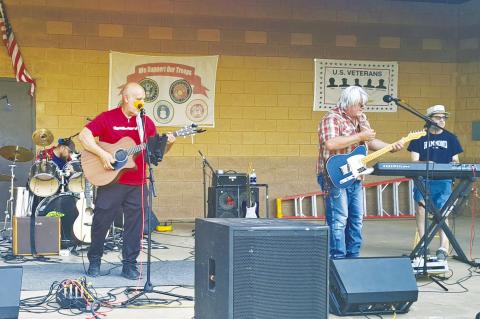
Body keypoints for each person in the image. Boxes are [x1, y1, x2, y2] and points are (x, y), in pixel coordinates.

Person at [78, 82, 175, 280]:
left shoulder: (145, 123)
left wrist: (168, 144)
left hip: (137, 182)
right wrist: (102, 154)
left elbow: (154, 155)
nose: (141, 102)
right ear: (126, 98)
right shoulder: (108, 117)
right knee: (101, 221)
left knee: (135, 225)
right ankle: (95, 260)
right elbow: (84, 135)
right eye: (137, 98)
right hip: (110, 181)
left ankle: (129, 264)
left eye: (143, 99)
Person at [317, 86, 404, 259]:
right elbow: (331, 144)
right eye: (360, 105)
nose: (363, 108)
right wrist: (360, 136)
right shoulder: (331, 118)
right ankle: (337, 260)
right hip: (334, 176)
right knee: (339, 220)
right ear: (348, 103)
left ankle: (353, 258)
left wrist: (390, 147)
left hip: (356, 175)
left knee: (356, 220)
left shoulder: (361, 119)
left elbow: (370, 143)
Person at [407, 105, 463, 261]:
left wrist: (454, 164)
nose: (442, 120)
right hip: (424, 180)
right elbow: (414, 162)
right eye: (438, 117)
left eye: (444, 117)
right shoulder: (419, 138)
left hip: (444, 180)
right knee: (421, 211)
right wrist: (427, 163)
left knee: (443, 214)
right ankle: (424, 245)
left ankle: (443, 247)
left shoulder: (451, 138)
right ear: (429, 119)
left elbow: (456, 161)